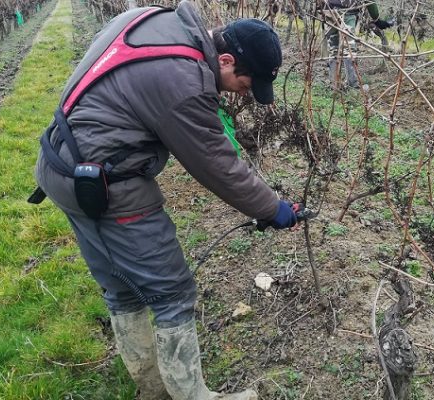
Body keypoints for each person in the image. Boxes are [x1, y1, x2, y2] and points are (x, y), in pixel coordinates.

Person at [29, 1, 297, 399]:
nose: (243, 94)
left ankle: (152, 387)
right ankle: (191, 395)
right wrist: (272, 208)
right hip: (108, 186)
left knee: (120, 285)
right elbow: (216, 164)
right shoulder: (183, 82)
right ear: (224, 60)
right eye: (245, 84)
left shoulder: (153, 20)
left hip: (63, 166)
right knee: (172, 293)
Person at [321, 0, 392, 88]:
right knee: (349, 48)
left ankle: (334, 84)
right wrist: (377, 20)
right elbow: (370, 1)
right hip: (347, 11)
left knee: (334, 48)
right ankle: (352, 84)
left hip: (329, 10)